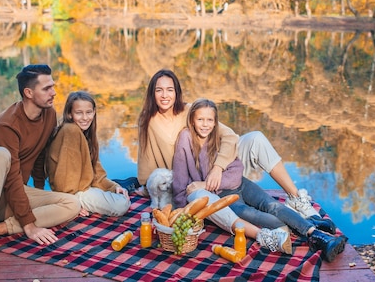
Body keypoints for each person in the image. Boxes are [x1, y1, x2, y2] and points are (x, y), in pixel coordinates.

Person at [136, 69, 334, 229]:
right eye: (159, 90)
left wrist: (219, 167)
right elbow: (147, 167)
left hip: (219, 166)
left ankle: (296, 199)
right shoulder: (148, 121)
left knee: (256, 138)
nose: (165, 95)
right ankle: (292, 225)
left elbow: (230, 137)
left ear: (176, 92)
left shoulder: (191, 111)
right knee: (248, 209)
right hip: (193, 179)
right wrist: (152, 187)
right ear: (152, 93)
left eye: (169, 89)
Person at [172, 98, 348, 262]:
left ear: (215, 121)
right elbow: (180, 179)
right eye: (200, 119)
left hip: (240, 184)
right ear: (192, 120)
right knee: (256, 215)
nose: (205, 125)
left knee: (272, 205)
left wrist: (207, 183)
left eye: (210, 120)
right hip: (224, 197)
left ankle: (316, 235)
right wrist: (183, 215)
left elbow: (236, 170)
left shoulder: (221, 136)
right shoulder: (185, 139)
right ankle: (314, 231)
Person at [0, 64, 81, 277]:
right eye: (47, 88)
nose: (54, 92)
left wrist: (41, 189)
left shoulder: (49, 114)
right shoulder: (7, 125)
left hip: (9, 196)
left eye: (53, 86)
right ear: (29, 93)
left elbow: (40, 153)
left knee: (72, 204)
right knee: (0, 154)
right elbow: (12, 177)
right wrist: (30, 226)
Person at [45, 91, 131, 217]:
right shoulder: (70, 131)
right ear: (70, 114)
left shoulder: (86, 134)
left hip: (82, 188)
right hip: (71, 194)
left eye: (89, 112)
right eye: (79, 113)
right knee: (121, 205)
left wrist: (113, 187)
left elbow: (96, 171)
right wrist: (71, 205)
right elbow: (64, 178)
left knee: (121, 194)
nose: (85, 118)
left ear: (94, 112)